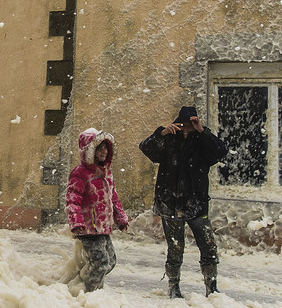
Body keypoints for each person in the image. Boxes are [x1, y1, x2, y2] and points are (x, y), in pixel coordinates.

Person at [139, 106, 229, 298]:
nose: (187, 128)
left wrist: (202, 131)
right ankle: (174, 287)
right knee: (175, 248)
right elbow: (146, 148)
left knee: (208, 245)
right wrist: (162, 133)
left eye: (191, 124)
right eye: (185, 124)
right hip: (170, 203)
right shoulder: (169, 140)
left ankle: (211, 287)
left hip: (196, 205)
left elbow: (221, 151)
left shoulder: (202, 141)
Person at [66, 128, 129, 292]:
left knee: (110, 261)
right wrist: (76, 222)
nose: (103, 151)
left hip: (103, 227)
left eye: (105, 148)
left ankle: (82, 279)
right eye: (98, 148)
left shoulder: (107, 174)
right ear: (89, 150)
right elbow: (73, 200)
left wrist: (120, 218)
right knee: (100, 262)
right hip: (87, 227)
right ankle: (92, 293)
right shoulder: (80, 173)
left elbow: (113, 198)